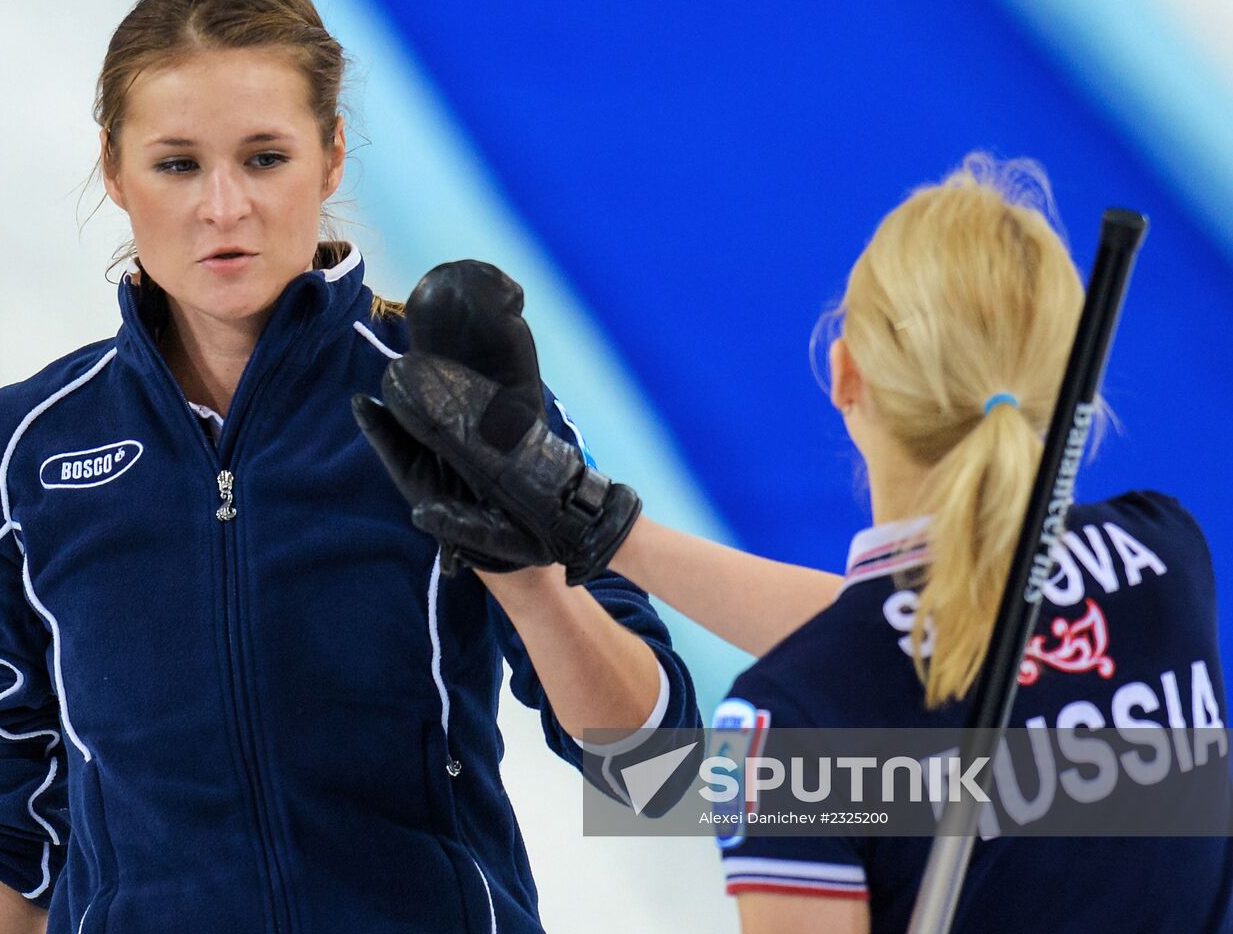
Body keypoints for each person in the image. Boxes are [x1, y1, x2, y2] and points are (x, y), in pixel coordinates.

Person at [0, 0, 701, 934]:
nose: (225, 208)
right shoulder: (30, 448)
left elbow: (656, 773)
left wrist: (530, 579)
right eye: (178, 164)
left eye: (265, 157)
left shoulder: (452, 399)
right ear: (116, 171)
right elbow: (9, 822)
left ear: (334, 156)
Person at [361, 154, 1233, 933]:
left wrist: (557, 571)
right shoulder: (1164, 558)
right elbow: (904, 646)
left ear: (846, 372)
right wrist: (602, 527)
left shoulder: (783, 730)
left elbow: (660, 774)